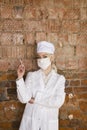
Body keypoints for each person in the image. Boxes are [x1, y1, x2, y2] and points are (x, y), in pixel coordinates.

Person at [16, 41, 66, 130]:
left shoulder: (59, 79)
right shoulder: (31, 75)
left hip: (48, 123)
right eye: (39, 57)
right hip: (31, 121)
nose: (41, 59)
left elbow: (57, 102)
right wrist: (20, 78)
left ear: (52, 57)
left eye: (44, 56)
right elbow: (24, 99)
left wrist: (35, 99)